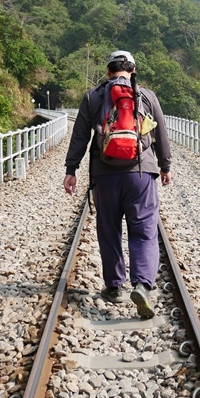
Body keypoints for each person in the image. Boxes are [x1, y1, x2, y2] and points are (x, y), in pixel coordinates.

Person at [63, 50, 172, 319]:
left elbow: (79, 137)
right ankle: (142, 285)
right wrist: (165, 165)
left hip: (105, 174)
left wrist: (71, 169)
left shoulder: (93, 96)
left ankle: (113, 286)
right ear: (132, 70)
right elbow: (161, 134)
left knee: (109, 231)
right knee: (144, 231)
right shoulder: (146, 95)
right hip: (141, 173)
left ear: (109, 70)